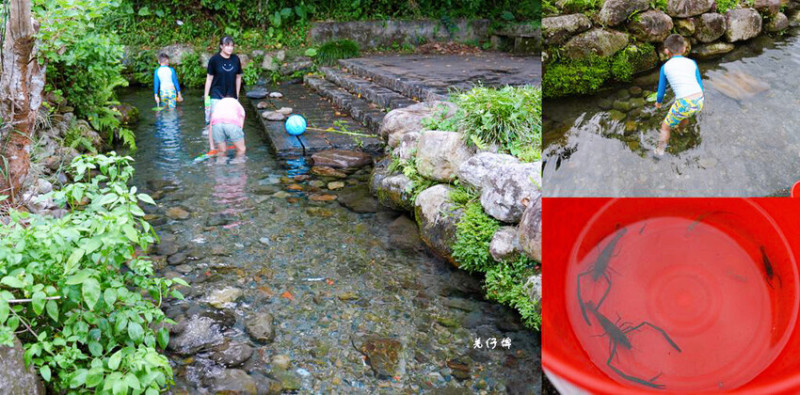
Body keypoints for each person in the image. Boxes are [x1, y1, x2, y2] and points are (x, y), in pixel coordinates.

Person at [654, 34, 704, 156]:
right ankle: (681, 130)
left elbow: (661, 92)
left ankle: (659, 151)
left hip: (684, 103)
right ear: (683, 49)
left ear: (666, 51)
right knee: (684, 115)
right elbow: (700, 85)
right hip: (699, 100)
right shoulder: (692, 63)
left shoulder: (665, 67)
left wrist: (658, 103)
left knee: (665, 127)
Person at [204, 36, 243, 153]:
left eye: (232, 45)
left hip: (231, 96)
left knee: (231, 121)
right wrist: (206, 96)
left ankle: (228, 144)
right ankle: (212, 147)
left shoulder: (236, 59)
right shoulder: (214, 60)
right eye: (227, 45)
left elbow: (238, 77)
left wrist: (237, 94)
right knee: (214, 121)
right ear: (221, 46)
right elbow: (209, 79)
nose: (230, 48)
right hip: (216, 94)